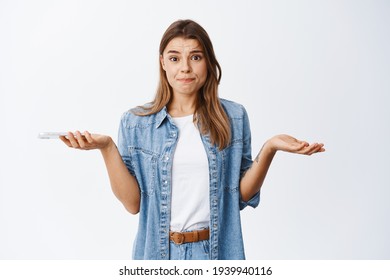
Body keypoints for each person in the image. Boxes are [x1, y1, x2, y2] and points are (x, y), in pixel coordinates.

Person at [60, 19, 325, 260]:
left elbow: (240, 196)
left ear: (208, 61)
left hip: (216, 252)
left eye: (195, 57)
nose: (185, 68)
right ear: (162, 62)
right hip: (157, 253)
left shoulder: (234, 117)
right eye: (175, 59)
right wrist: (106, 147)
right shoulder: (136, 122)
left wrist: (270, 149)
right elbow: (133, 204)